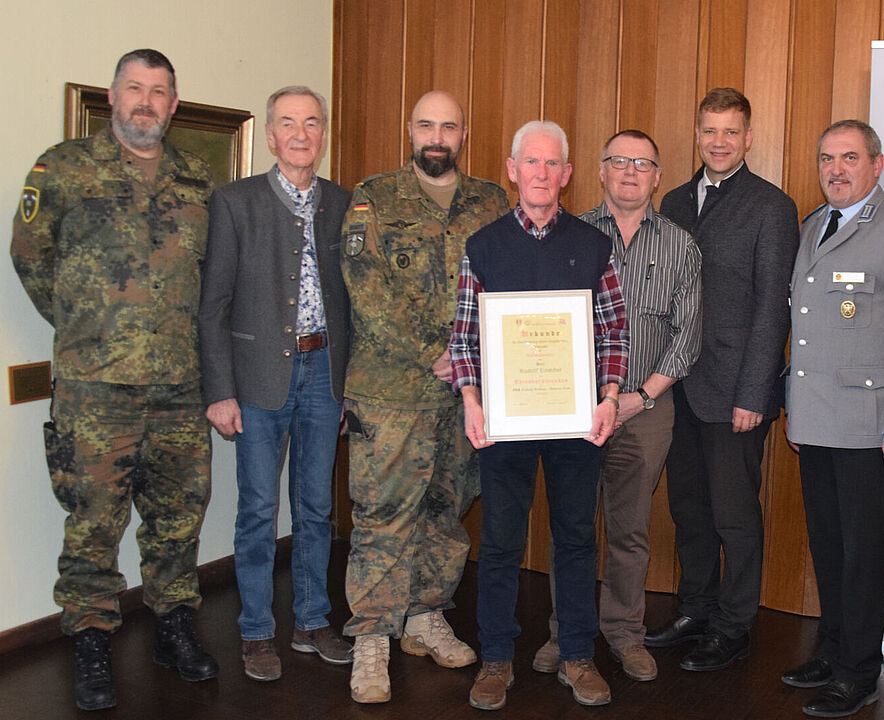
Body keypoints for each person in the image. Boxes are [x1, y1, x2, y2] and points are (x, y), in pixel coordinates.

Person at [10, 49, 218, 711]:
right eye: (134, 87)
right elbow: (30, 257)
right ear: (112, 96)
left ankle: (173, 627)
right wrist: (84, 324)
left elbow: (211, 277)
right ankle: (93, 642)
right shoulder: (65, 167)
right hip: (94, 391)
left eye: (158, 91)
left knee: (177, 520)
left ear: (173, 105)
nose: (145, 101)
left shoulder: (197, 180)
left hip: (179, 388)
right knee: (93, 525)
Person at [450, 121, 628, 710]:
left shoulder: (593, 246)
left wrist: (608, 398)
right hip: (504, 421)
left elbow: (614, 331)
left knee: (575, 539)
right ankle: (496, 659)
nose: (542, 173)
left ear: (567, 174)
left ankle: (577, 655)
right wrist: (472, 402)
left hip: (577, 421)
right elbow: (464, 337)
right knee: (501, 541)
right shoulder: (483, 245)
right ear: (512, 169)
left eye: (553, 164)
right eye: (532, 162)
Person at [338, 90, 508, 704]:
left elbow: (505, 285)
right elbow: (367, 290)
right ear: (409, 130)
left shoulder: (491, 201)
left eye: (449, 127)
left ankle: (425, 615)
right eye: (427, 125)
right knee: (383, 514)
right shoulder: (374, 197)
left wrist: (468, 359)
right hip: (392, 392)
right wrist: (435, 351)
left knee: (447, 508)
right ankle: (371, 638)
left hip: (465, 394)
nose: (438, 137)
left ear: (464, 134)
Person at [783, 119, 884, 718]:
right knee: (829, 547)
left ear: (877, 165)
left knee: (865, 554)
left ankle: (858, 672)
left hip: (872, 429)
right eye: (827, 158)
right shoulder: (812, 227)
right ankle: (833, 650)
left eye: (849, 157)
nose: (836, 169)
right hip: (817, 423)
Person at [532, 130, 702, 683]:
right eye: (619, 161)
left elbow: (688, 336)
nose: (630, 172)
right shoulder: (567, 234)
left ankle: (626, 634)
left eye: (643, 164)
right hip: (575, 411)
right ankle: (566, 633)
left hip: (646, 410)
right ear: (600, 171)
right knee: (571, 528)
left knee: (630, 532)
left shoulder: (680, 245)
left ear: (658, 177)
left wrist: (641, 396)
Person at [198, 87, 353, 682]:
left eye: (311, 123)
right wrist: (219, 390)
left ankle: (312, 620)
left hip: (324, 375)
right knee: (258, 510)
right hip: (258, 379)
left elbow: (353, 303)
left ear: (323, 133)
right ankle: (256, 631)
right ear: (269, 135)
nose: (300, 134)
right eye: (288, 123)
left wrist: (347, 385)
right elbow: (213, 306)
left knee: (315, 508)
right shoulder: (233, 202)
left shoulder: (343, 203)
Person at [647, 88, 799, 671]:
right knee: (689, 508)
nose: (718, 142)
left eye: (730, 131)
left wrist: (754, 393)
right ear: (696, 134)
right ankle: (696, 609)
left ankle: (733, 626)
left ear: (748, 138)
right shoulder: (674, 201)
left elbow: (773, 308)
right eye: (709, 130)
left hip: (736, 391)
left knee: (734, 515)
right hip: (676, 387)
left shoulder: (771, 206)